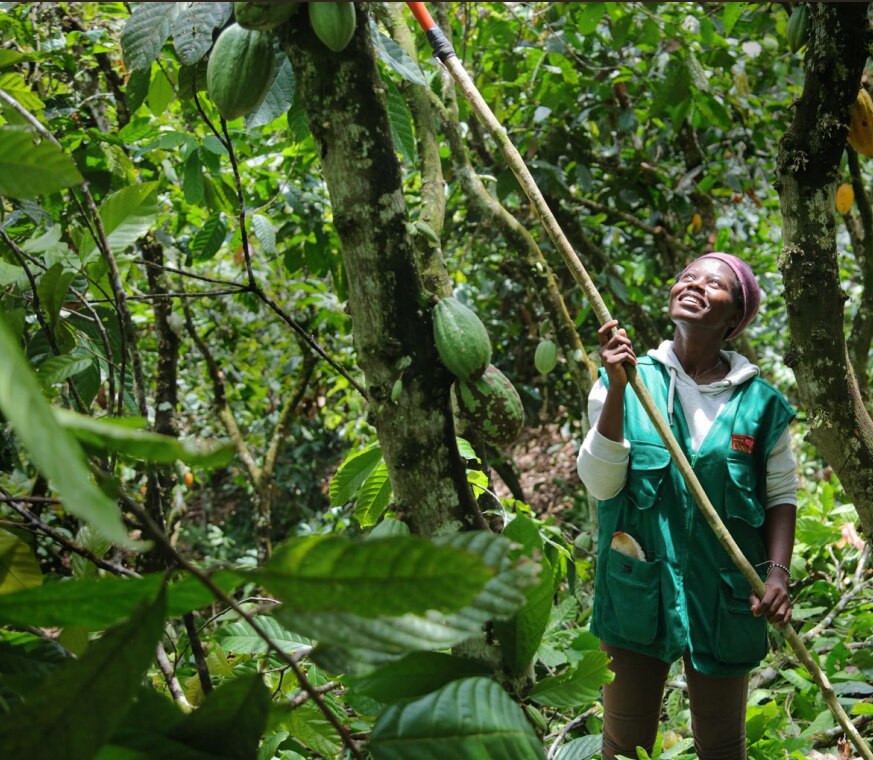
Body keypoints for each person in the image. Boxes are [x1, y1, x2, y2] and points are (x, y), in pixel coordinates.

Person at [577, 253, 798, 760]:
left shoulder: (762, 405)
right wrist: (615, 388)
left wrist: (778, 575)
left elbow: (780, 494)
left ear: (734, 317)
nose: (695, 285)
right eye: (687, 277)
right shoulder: (628, 376)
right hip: (639, 587)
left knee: (722, 746)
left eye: (713, 283)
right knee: (625, 745)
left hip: (725, 595)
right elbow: (600, 483)